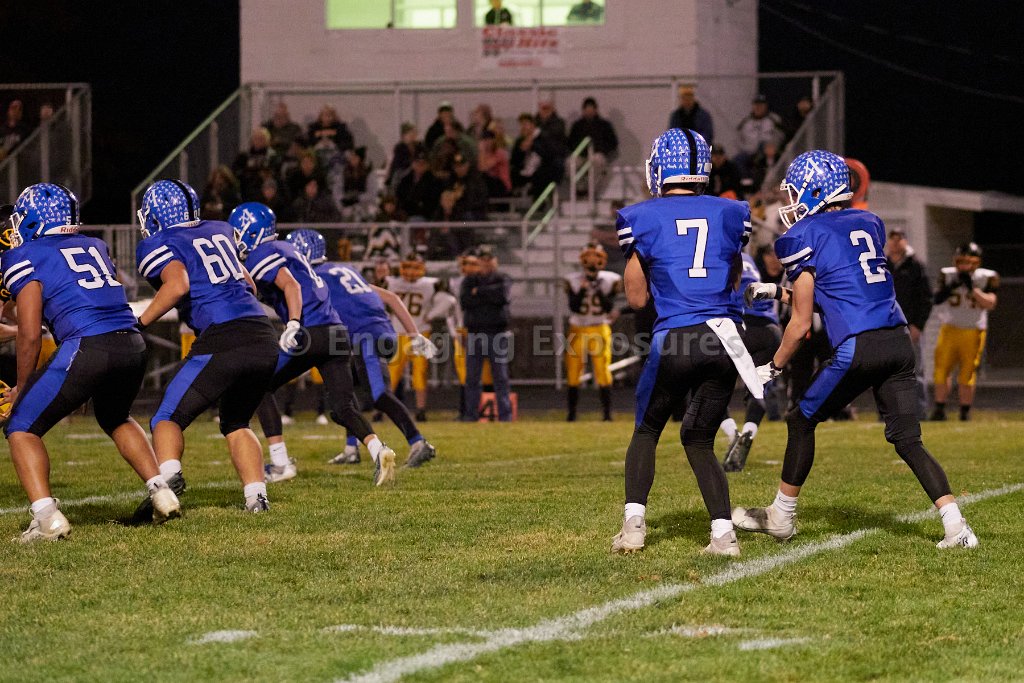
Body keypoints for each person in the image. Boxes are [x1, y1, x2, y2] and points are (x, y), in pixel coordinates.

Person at [736, 150, 978, 550]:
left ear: (816, 191)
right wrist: (778, 292)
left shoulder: (802, 236)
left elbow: (800, 324)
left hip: (858, 346)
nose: (790, 201)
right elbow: (843, 293)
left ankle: (781, 517)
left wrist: (771, 368)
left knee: (801, 420)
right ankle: (956, 526)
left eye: (796, 191)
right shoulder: (869, 222)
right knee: (908, 439)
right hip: (897, 342)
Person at [0, 184, 181, 541]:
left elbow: (30, 333)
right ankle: (162, 492)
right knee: (116, 416)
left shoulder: (25, 254)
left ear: (33, 220)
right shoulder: (95, 245)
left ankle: (47, 519)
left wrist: (23, 386)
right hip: (132, 343)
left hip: (87, 345)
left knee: (20, 427)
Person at [610, 128, 760, 557]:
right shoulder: (732, 212)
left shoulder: (641, 216)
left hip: (676, 335)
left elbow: (637, 298)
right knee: (698, 437)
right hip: (725, 339)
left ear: (660, 167)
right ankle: (723, 535)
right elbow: (734, 277)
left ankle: (634, 527)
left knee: (647, 430)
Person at [133, 179, 279, 516]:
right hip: (262, 333)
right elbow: (249, 284)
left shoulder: (160, 241)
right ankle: (256, 498)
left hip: (223, 335)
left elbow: (177, 285)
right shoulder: (219, 229)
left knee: (167, 418)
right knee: (236, 422)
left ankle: (169, 479)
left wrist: (140, 322)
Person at [229, 203, 400, 486]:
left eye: (238, 232)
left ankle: (281, 462)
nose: (236, 239)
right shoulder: (288, 250)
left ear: (252, 231)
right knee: (343, 407)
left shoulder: (264, 253)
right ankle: (378, 450)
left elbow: (291, 286)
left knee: (259, 384)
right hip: (336, 332)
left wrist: (294, 322)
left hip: (309, 331)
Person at [286, 230, 436, 467]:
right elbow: (391, 298)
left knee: (379, 395)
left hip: (365, 337)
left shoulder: (315, 277)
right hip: (376, 334)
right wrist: (414, 334)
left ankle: (418, 442)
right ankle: (351, 449)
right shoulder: (343, 269)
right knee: (345, 394)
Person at [720, 252, 782, 472]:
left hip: (739, 327)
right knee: (758, 389)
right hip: (770, 331)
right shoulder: (748, 259)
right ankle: (748, 432)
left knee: (709, 386)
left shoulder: (720, 254)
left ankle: (733, 435)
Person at [930, 242, 998, 422]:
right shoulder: (948, 275)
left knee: (968, 372)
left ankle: (965, 411)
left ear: (976, 262)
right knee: (941, 370)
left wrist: (973, 289)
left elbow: (990, 303)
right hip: (949, 328)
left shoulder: (986, 277)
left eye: (968, 262)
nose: (964, 265)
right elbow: (936, 299)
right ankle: (939, 409)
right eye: (961, 261)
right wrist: (952, 286)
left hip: (973, 330)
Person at [564, 243, 621, 422]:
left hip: (599, 326)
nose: (592, 261)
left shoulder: (611, 279)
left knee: (602, 369)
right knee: (573, 370)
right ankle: (572, 414)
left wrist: (596, 288)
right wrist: (583, 289)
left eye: (595, 257)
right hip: (577, 328)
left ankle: (607, 414)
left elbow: (608, 306)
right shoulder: (573, 279)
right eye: (589, 257)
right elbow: (574, 307)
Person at [384, 253, 441, 422]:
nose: (410, 271)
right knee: (392, 373)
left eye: (414, 267)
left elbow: (449, 301)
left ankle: (421, 410)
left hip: (420, 332)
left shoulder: (432, 284)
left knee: (419, 373)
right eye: (407, 267)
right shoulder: (390, 282)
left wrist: (432, 314)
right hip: (398, 332)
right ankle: (383, 410)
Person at [460, 246, 513, 422]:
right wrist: (490, 294)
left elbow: (502, 297)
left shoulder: (502, 278)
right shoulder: (469, 280)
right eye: (483, 259)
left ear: (495, 261)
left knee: (500, 377)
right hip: (475, 333)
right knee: (472, 378)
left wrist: (480, 292)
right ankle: (470, 415)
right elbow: (466, 301)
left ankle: (505, 415)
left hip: (496, 333)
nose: (486, 263)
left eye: (489, 259)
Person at [885, 229, 933, 419]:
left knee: (914, 370)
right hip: (886, 326)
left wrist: (918, 325)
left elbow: (926, 298)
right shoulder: (882, 265)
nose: (896, 243)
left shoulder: (915, 266)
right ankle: (888, 412)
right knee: (886, 371)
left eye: (899, 239)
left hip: (909, 325)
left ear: (905, 241)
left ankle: (918, 412)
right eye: (893, 239)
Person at [567, 97, 619, 190]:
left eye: (591, 109)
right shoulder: (577, 126)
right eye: (587, 109)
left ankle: (591, 188)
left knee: (596, 160)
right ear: (583, 110)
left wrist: (601, 150)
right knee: (570, 162)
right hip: (580, 155)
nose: (589, 111)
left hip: (598, 155)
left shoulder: (604, 125)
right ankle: (579, 188)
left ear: (596, 110)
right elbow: (570, 142)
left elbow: (612, 143)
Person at [735, 95, 785, 174]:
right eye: (756, 105)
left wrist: (774, 146)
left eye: (761, 105)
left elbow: (780, 135)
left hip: (767, 151)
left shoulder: (774, 119)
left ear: (766, 106)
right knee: (738, 159)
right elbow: (738, 138)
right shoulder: (745, 121)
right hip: (749, 152)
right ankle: (745, 180)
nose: (758, 107)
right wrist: (745, 149)